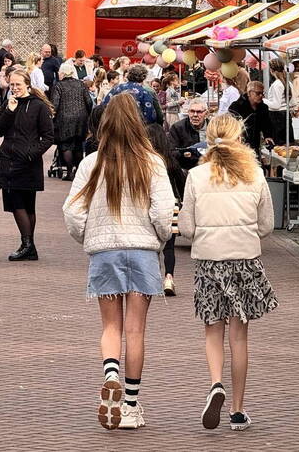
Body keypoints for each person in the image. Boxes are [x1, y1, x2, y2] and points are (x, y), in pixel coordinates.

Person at [63, 93, 174, 431]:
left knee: (110, 327)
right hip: (141, 251)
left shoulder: (91, 163)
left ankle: (109, 371)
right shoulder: (151, 162)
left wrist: (88, 238)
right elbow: (163, 210)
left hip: (105, 251)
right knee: (136, 330)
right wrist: (161, 237)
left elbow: (72, 211)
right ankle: (130, 405)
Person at [177, 114, 278, 432]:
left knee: (212, 330)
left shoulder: (196, 176)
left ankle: (215, 383)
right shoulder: (255, 174)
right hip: (245, 259)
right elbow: (266, 225)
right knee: (239, 337)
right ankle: (237, 410)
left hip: (209, 259)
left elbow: (187, 227)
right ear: (240, 138)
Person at [0, 69, 55, 261]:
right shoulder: (8, 103)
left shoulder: (38, 106)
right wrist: (9, 112)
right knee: (16, 203)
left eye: (18, 84)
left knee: (26, 205)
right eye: (11, 85)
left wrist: (32, 153)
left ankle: (27, 244)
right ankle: (28, 245)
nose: (14, 88)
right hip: (8, 160)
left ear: (27, 84)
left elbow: (48, 137)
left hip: (28, 162)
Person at [147, 124, 186, 296]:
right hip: (172, 204)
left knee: (153, 245)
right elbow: (182, 183)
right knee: (169, 247)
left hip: (150, 205)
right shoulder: (171, 161)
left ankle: (153, 279)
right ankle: (169, 277)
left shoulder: (145, 162)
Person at [50, 61, 94, 181]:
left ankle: (69, 172)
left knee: (66, 145)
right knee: (78, 145)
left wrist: (52, 116)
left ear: (63, 73)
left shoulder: (59, 86)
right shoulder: (81, 85)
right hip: (81, 118)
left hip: (64, 119)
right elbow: (89, 102)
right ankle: (78, 173)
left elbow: (55, 104)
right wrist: (89, 115)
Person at [228, 81, 275, 155]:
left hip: (255, 144)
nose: (261, 96)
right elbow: (231, 127)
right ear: (249, 93)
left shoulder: (263, 107)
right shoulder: (236, 106)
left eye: (262, 93)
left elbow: (267, 124)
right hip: (239, 144)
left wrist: (268, 136)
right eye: (258, 93)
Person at [170, 98, 210, 170]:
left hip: (209, 167)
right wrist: (183, 154)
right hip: (187, 168)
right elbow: (171, 151)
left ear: (206, 114)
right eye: (192, 111)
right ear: (188, 112)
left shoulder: (212, 127)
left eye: (199, 112)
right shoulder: (178, 128)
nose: (195, 115)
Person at [265, 58, 288, 145]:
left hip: (276, 117)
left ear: (271, 70)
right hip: (285, 114)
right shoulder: (287, 82)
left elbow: (276, 105)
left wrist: (263, 100)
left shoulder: (277, 84)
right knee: (286, 145)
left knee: (278, 145)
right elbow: (293, 103)